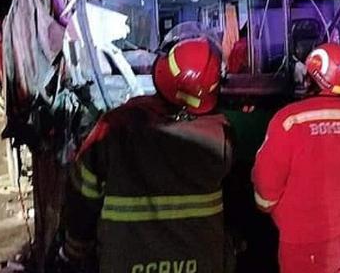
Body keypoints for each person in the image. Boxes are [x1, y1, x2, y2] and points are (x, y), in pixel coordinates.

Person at [57, 36, 235, 273]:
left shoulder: (115, 126)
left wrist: (73, 249)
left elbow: (81, 196)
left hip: (126, 262)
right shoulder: (221, 135)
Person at [252, 43, 340, 273]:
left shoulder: (289, 121)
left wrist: (269, 210)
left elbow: (266, 185)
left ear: (311, 77)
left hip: (305, 243)